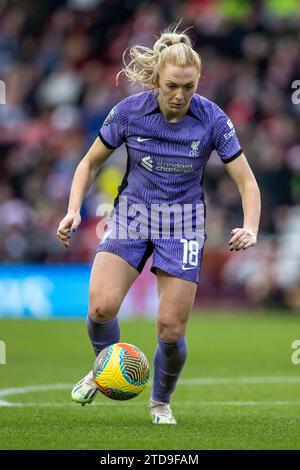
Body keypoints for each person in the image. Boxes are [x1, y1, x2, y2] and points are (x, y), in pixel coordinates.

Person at [57, 25, 261, 424]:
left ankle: (160, 403)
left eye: (188, 86)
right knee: (100, 307)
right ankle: (105, 368)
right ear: (156, 80)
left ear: (197, 82)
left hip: (183, 224)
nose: (180, 95)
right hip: (132, 216)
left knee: (169, 329)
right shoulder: (129, 112)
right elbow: (89, 162)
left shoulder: (212, 118)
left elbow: (246, 180)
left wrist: (250, 226)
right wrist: (72, 208)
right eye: (172, 86)